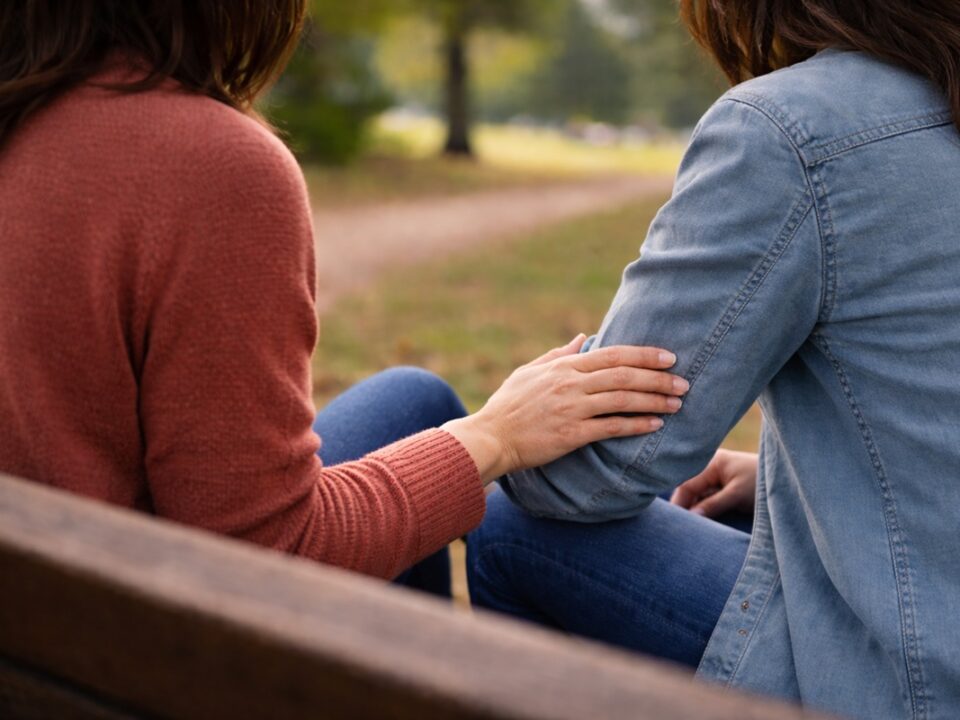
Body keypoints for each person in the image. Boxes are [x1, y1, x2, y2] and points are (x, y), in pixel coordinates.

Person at [0, 1, 689, 589]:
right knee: (438, 426)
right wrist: (495, 437)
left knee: (411, 400)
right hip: (122, 638)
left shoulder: (26, 114)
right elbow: (261, 559)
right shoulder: (209, 167)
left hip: (46, 605)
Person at [468, 2, 960, 719]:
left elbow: (594, 477)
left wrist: (506, 428)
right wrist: (784, 480)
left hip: (904, 681)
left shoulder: (793, 130)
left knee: (505, 524)